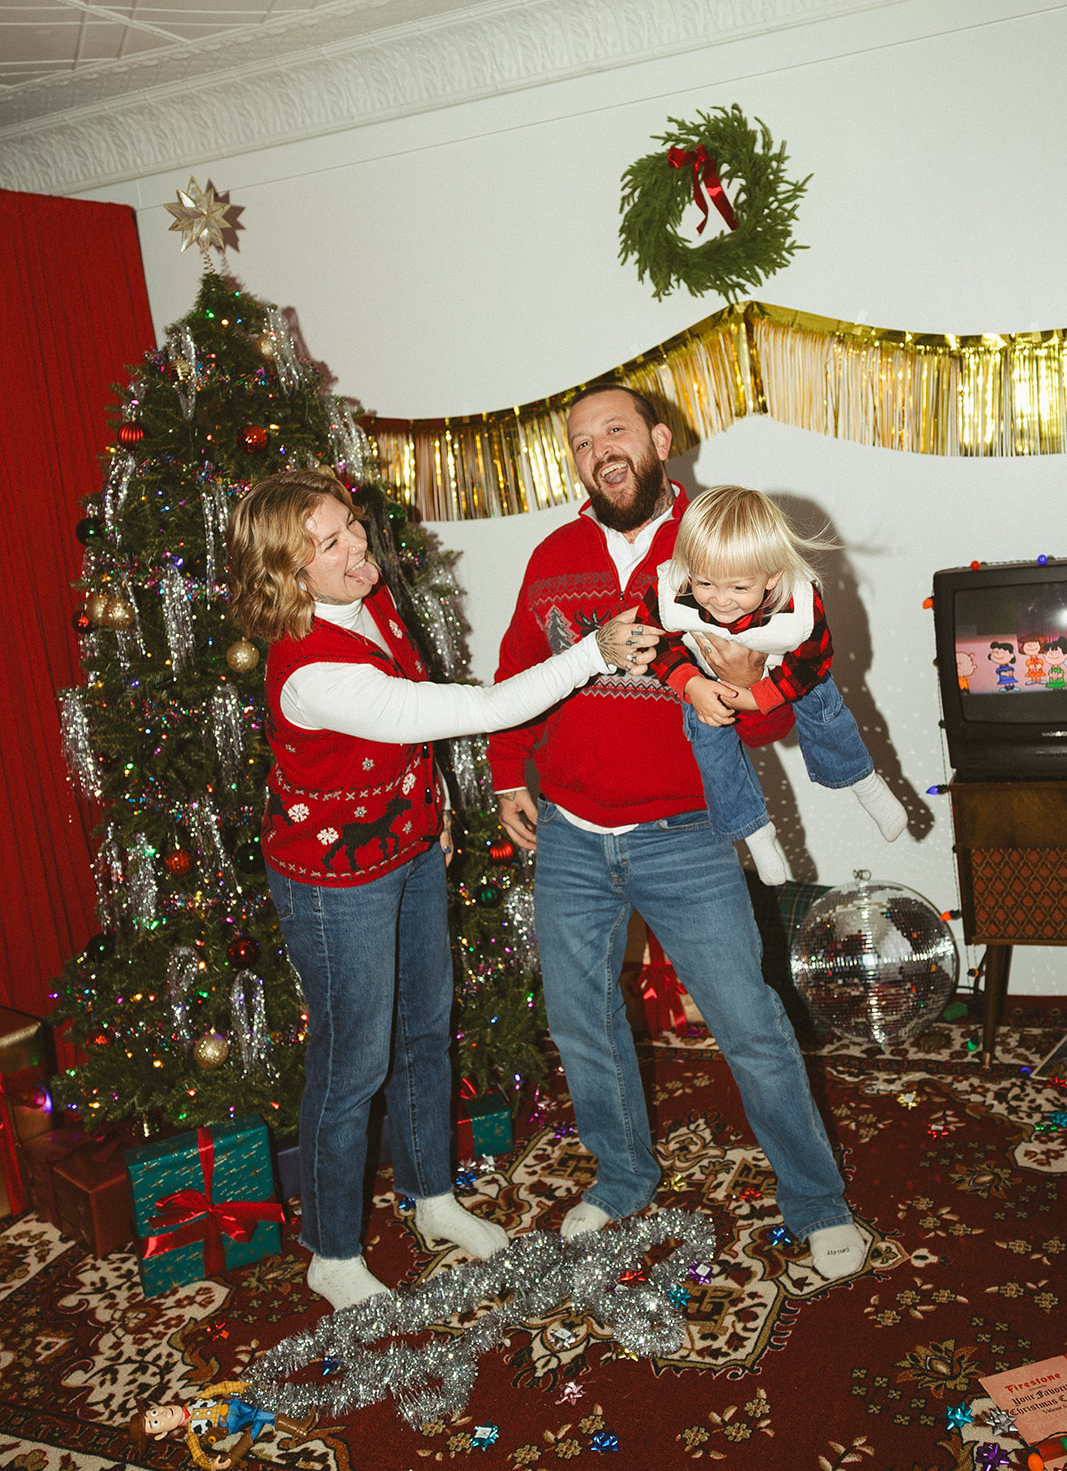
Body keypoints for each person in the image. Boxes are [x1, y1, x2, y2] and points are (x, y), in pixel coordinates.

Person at [226, 467, 651, 1312]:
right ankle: (331, 1251)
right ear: (286, 573)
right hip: (333, 881)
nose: (357, 549)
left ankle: (430, 1197)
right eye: (330, 544)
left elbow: (411, 737)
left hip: (409, 846)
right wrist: (591, 651)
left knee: (425, 1031)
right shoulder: (314, 670)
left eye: (351, 527)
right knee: (352, 1064)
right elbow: (479, 709)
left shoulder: (368, 604)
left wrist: (438, 812)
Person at [488, 385, 866, 1281]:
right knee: (581, 1023)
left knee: (751, 1023)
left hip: (684, 834)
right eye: (582, 442)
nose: (599, 451)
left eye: (615, 431)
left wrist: (742, 679)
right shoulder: (552, 556)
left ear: (660, 439)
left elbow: (774, 716)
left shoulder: (722, 546)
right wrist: (507, 771)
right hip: (571, 836)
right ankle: (622, 1177)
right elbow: (516, 673)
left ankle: (816, 1201)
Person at [634, 484, 907, 885]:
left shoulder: (798, 605)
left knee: (821, 696)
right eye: (705, 583)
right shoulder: (671, 590)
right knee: (707, 741)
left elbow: (812, 662)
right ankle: (756, 833)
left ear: (772, 577)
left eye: (739, 588)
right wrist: (690, 684)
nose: (720, 601)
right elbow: (653, 641)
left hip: (781, 669)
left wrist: (757, 694)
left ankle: (864, 782)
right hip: (706, 676)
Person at [127, 1383, 315, 1470]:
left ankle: (296, 1427)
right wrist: (212, 1464)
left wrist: (241, 1386)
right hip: (229, 1423)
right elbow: (198, 1456)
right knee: (257, 1413)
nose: (161, 1413)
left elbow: (218, 1389)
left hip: (234, 1404)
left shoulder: (197, 1400)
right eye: (156, 1422)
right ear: (161, 1435)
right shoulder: (192, 1432)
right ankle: (298, 1428)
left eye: (153, 1412)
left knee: (257, 1417)